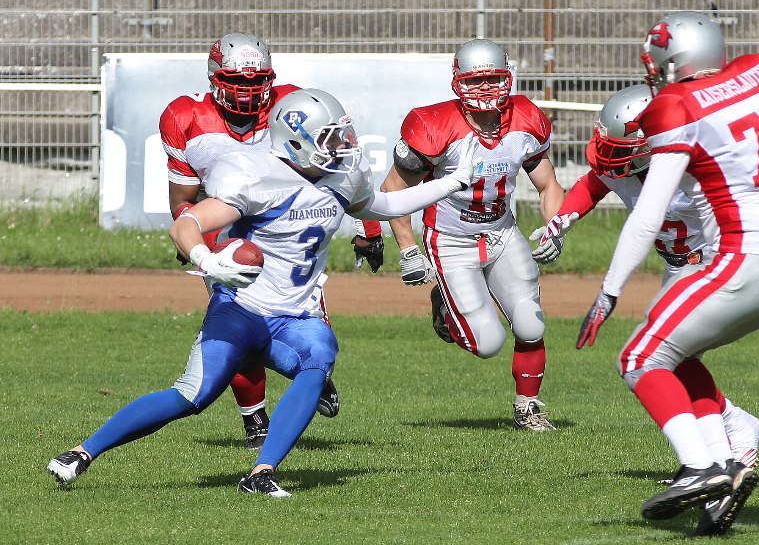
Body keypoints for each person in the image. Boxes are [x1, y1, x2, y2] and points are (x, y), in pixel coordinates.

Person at [47, 88, 483, 497]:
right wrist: (207, 260)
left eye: (342, 135)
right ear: (296, 142)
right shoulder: (256, 176)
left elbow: (384, 206)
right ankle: (82, 452)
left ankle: (261, 473)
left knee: (319, 355)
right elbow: (186, 224)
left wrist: (451, 182)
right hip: (241, 310)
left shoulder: (341, 178)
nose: (342, 146)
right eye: (331, 139)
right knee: (192, 396)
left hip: (293, 317)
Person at [569, 11, 759, 535]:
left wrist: (609, 291)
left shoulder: (678, 105)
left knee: (639, 356)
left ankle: (701, 466)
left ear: (673, 62)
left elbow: (648, 215)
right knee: (679, 354)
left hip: (743, 257)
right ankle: (725, 469)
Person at [160, 32, 384, 448]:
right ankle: (255, 419)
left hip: (291, 228)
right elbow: (184, 199)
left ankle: (310, 372)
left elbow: (341, 166)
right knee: (237, 324)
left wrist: (367, 228)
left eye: (256, 81)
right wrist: (195, 243)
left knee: (307, 322)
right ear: (214, 78)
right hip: (228, 228)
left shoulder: (292, 106)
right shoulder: (184, 115)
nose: (247, 91)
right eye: (237, 81)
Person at [533, 84, 759, 470]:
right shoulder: (626, 166)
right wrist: (561, 221)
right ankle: (723, 444)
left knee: (670, 354)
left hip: (712, 264)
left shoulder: (694, 168)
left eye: (620, 148)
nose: (608, 155)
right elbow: (593, 184)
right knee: (674, 358)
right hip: (677, 268)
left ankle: (723, 447)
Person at [380, 38, 566, 431]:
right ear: (457, 82)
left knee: (531, 325)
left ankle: (528, 407)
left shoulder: (527, 117)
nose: (484, 88)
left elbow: (548, 184)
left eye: (492, 79)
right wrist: (408, 249)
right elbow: (393, 190)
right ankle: (444, 308)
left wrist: (555, 227)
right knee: (488, 343)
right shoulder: (435, 125)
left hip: (502, 231)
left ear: (507, 77)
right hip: (450, 239)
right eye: (474, 81)